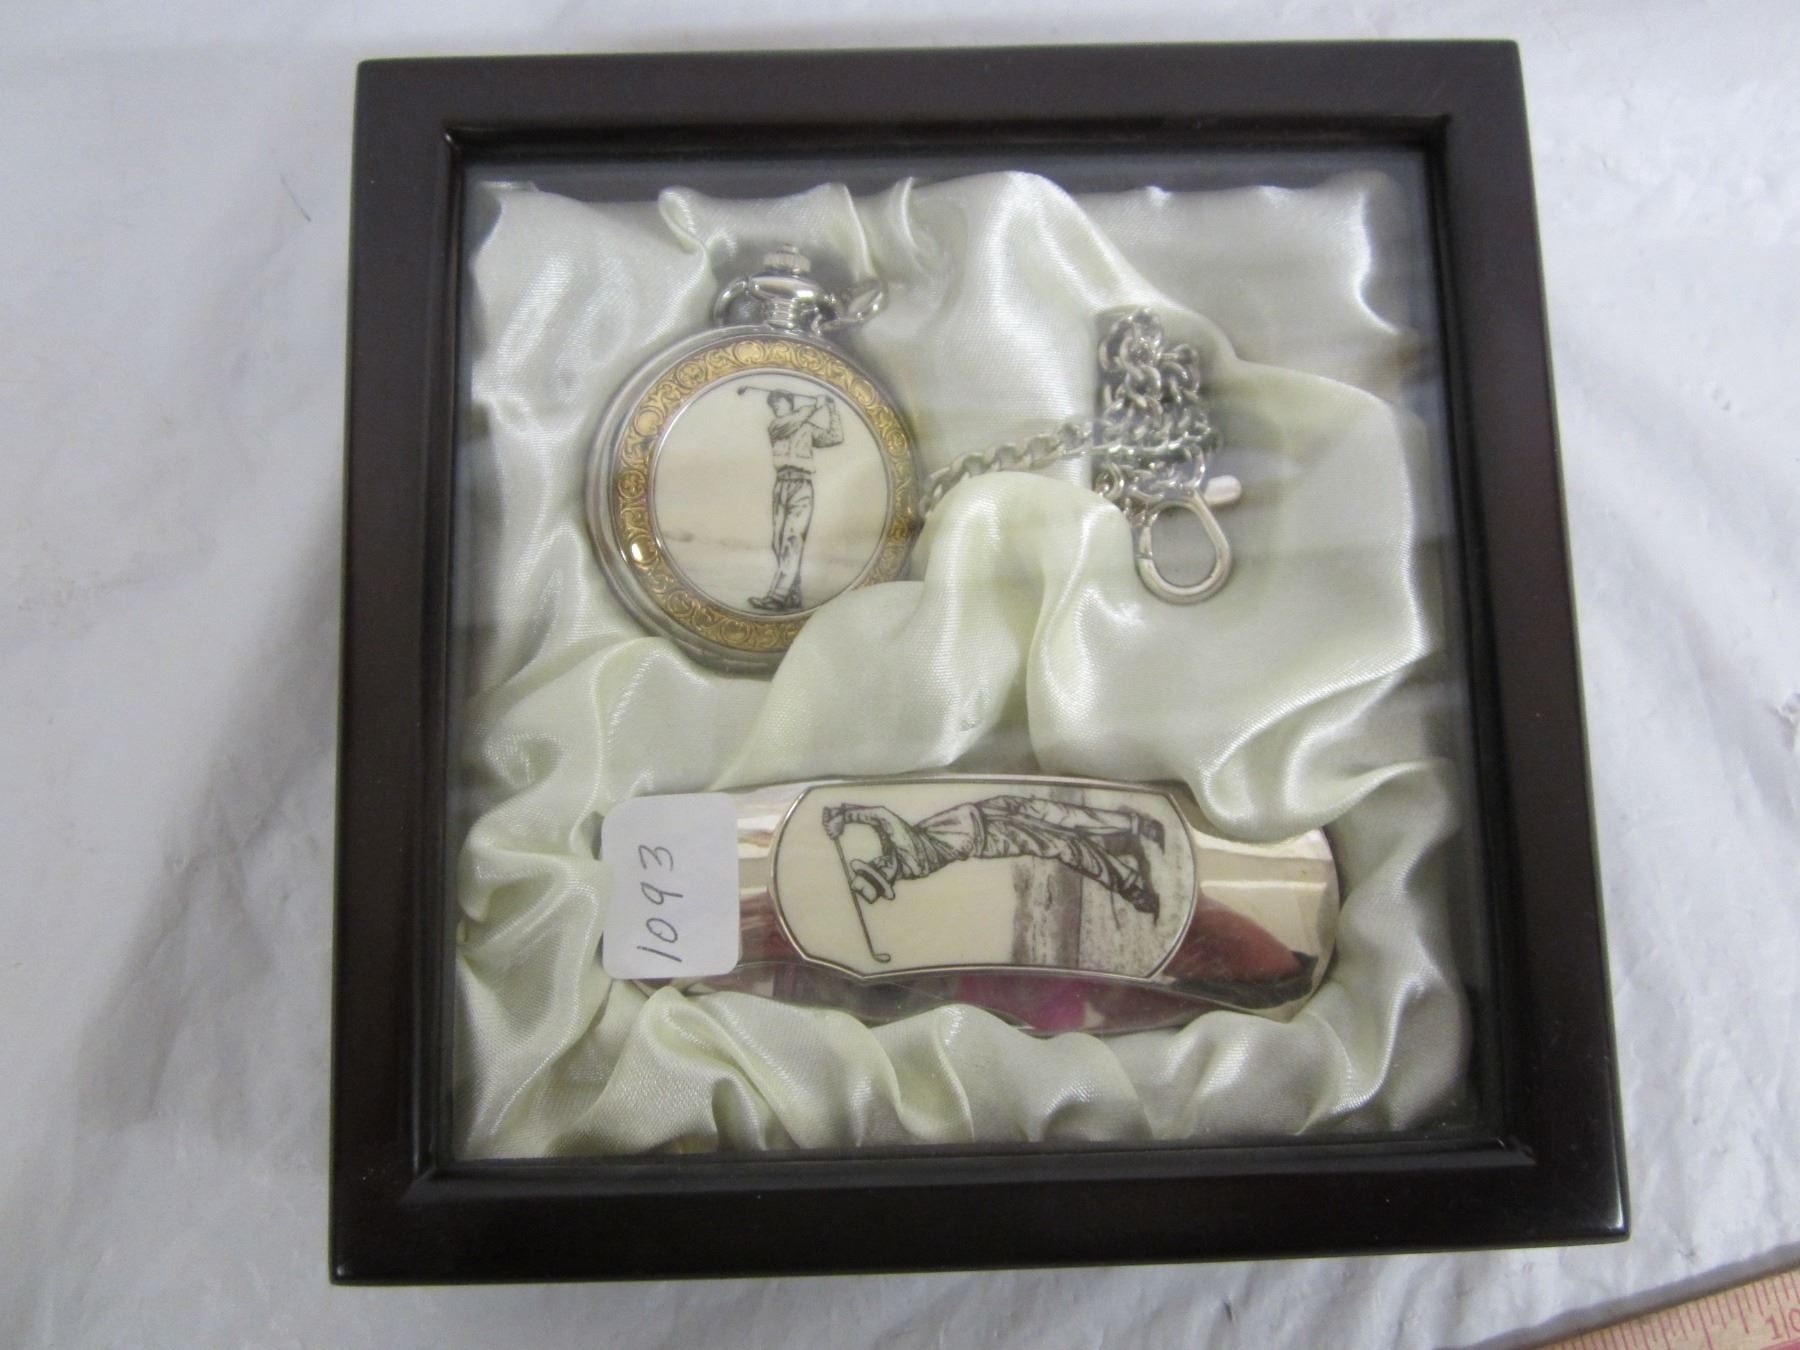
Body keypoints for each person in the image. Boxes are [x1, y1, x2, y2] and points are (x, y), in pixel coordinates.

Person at [822, 794, 1165, 918]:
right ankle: (1129, 883)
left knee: (1057, 814)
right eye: (879, 873)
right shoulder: (909, 858)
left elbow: (880, 820)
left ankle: (1133, 825)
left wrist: (840, 810)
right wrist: (846, 817)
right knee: (1065, 843)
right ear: (889, 881)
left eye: (872, 866)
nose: (879, 864)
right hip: (991, 834)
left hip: (984, 810)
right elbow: (882, 815)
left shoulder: (893, 853)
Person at [748, 387, 842, 612]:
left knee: (792, 540)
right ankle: (793, 595)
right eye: (773, 404)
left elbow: (835, 437)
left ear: (789, 404)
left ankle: (777, 597)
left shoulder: (807, 427)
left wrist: (832, 409)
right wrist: (815, 405)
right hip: (781, 485)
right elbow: (793, 421)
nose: (776, 406)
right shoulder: (776, 426)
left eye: (779, 402)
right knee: (778, 544)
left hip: (802, 485)